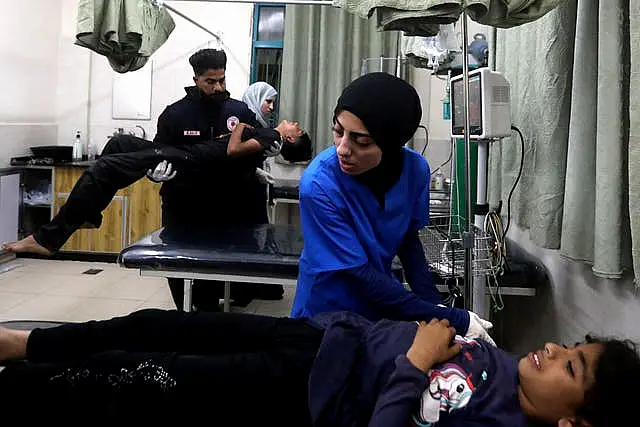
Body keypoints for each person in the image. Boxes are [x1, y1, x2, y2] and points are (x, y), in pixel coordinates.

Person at [0, 308, 637, 427]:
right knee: (152, 324)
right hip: (313, 341)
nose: (554, 351)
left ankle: (27, 384)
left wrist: (416, 362)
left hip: (299, 393)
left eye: (572, 368)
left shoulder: (495, 421)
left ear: (572, 424)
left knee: (138, 372)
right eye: (571, 346)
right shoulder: (502, 363)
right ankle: (23, 345)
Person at [290, 72, 489, 339]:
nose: (342, 149)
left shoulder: (415, 170)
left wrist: (435, 305)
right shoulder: (319, 184)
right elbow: (358, 274)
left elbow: (408, 242)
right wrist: (451, 317)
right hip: (326, 313)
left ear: (393, 143)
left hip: (380, 307)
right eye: (338, 132)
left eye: (361, 141)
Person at [0, 122, 308, 257]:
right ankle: (90, 214)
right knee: (119, 144)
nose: (293, 123)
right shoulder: (270, 138)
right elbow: (240, 158)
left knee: (104, 168)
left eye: (297, 127)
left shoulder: (274, 137)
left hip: (190, 161)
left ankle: (48, 239)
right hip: (185, 152)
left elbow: (231, 150)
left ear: (292, 138)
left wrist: (241, 126)